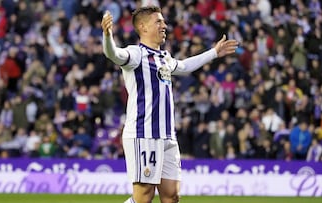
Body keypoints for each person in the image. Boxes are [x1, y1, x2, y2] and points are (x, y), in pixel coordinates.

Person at [101, 6, 238, 203]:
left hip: (167, 136)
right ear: (143, 27)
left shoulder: (164, 58)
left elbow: (184, 66)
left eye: (164, 21)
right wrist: (107, 36)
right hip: (144, 134)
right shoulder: (136, 54)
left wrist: (214, 53)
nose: (164, 25)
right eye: (158, 22)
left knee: (172, 196)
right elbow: (113, 54)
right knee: (143, 197)